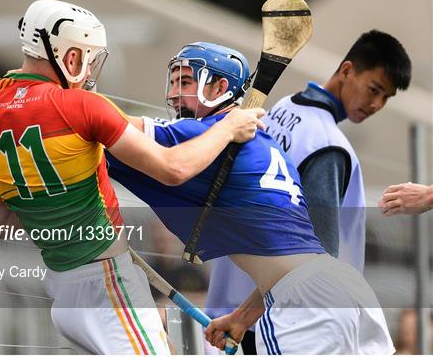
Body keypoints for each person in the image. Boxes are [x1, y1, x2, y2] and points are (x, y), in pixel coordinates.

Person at [0, 0, 261, 355]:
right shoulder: (81, 105)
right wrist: (229, 127)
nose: (90, 68)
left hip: (63, 291)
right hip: (105, 284)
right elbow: (173, 169)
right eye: (90, 58)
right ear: (72, 57)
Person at [107, 41, 394, 354]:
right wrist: (243, 318)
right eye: (174, 81)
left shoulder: (205, 133)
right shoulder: (267, 143)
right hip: (343, 289)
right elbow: (288, 261)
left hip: (303, 304)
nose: (175, 92)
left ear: (220, 87)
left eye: (186, 81)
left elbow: (109, 125)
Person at [205, 30, 412, 351]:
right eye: (374, 89)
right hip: (287, 326)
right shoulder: (328, 146)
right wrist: (246, 316)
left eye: (386, 97)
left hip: (240, 313)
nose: (376, 104)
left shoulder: (282, 110)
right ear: (347, 70)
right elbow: (311, 263)